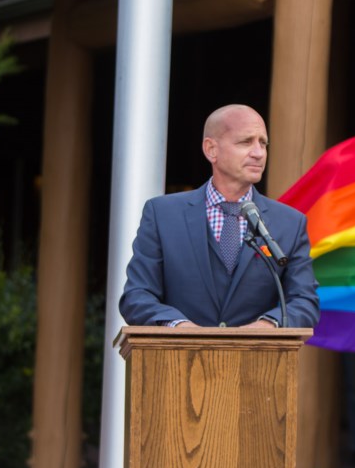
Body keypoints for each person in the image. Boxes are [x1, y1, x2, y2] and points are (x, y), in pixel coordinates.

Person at [120, 104, 319, 329]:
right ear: (211, 149)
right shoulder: (162, 214)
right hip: (178, 359)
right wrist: (179, 327)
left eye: (263, 143)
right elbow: (137, 296)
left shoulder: (290, 223)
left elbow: (304, 301)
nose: (258, 152)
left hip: (258, 361)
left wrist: (267, 326)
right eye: (246, 142)